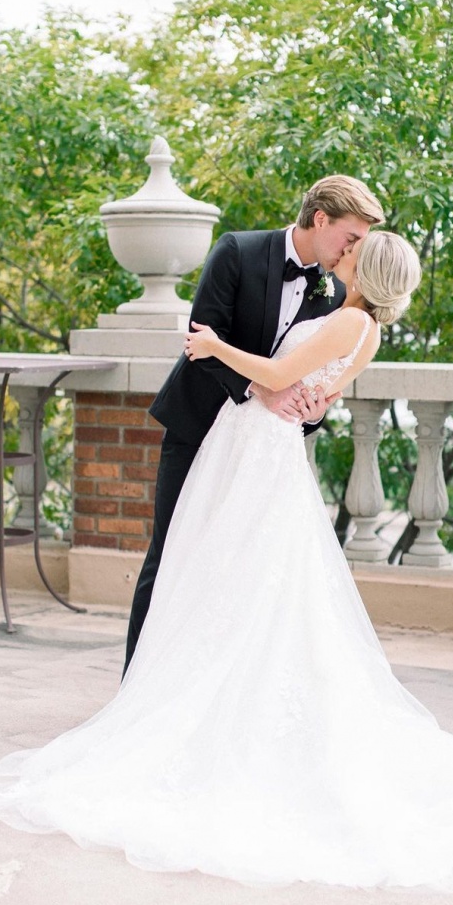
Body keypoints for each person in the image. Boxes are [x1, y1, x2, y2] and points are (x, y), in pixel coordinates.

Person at [0, 229, 453, 891]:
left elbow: (279, 376)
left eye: (353, 248)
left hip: (255, 448)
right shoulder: (366, 330)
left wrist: (211, 346)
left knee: (227, 572)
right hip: (264, 450)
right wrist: (300, 392)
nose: (343, 251)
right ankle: (191, 692)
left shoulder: (345, 318)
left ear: (361, 266)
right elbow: (320, 392)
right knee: (249, 578)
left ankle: (207, 709)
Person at [122, 174, 385, 674]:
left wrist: (314, 411)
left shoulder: (338, 294)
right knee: (170, 555)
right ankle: (134, 688)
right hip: (197, 427)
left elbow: (317, 372)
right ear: (321, 218)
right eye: (350, 239)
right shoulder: (237, 252)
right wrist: (262, 388)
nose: (353, 251)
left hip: (261, 448)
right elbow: (201, 340)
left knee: (240, 568)